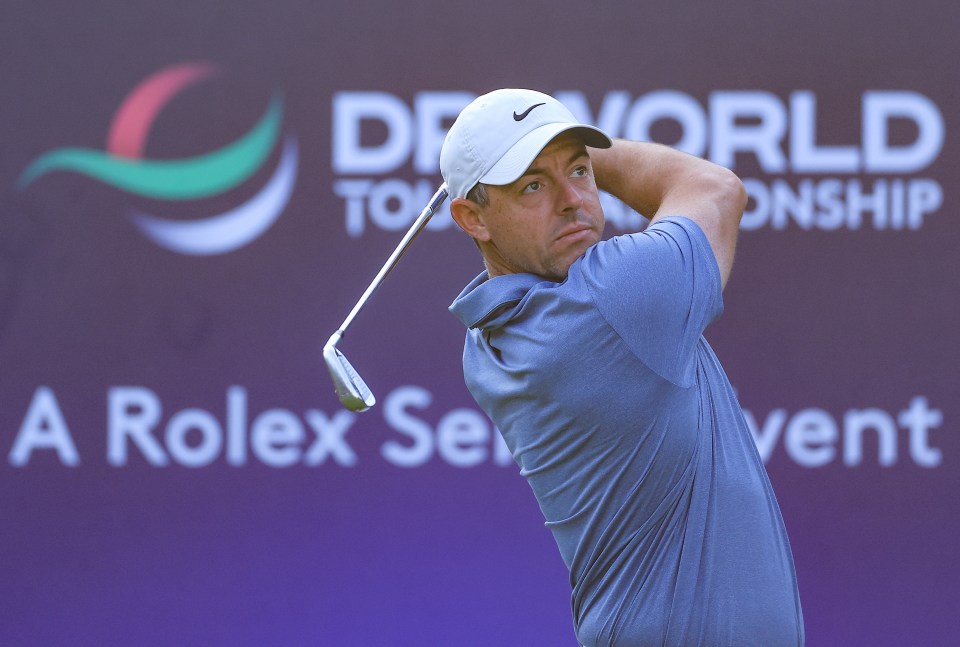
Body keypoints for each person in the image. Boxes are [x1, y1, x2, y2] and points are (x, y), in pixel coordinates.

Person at [440, 89, 804, 647]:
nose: (572, 200)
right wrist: (585, 151)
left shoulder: (487, 337)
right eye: (533, 185)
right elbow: (714, 188)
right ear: (472, 217)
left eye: (579, 171)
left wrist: (539, 146)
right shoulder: (609, 299)